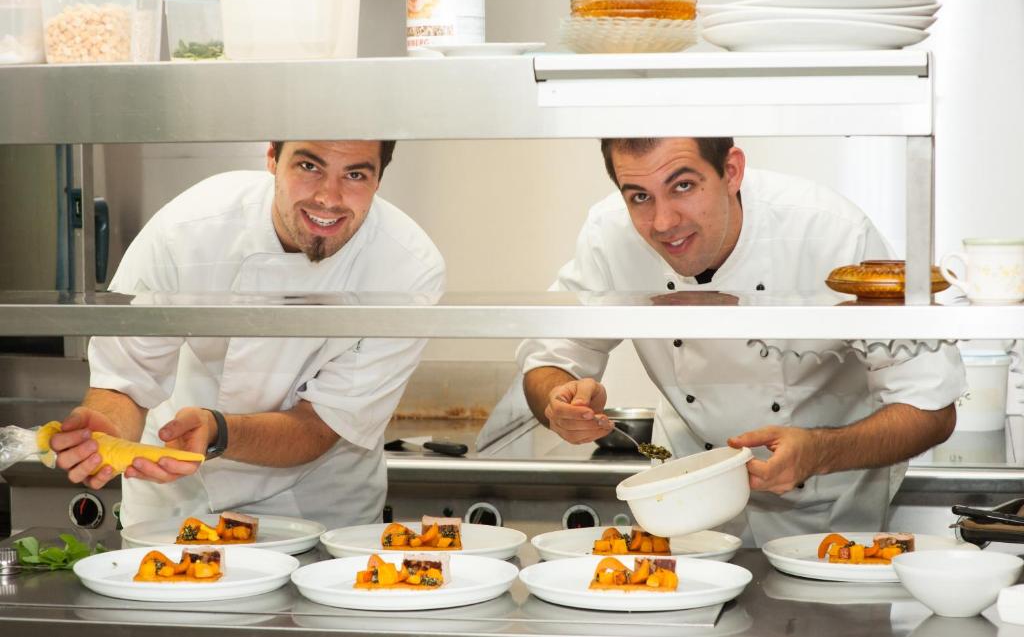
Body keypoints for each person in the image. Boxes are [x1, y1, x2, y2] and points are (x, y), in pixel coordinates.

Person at [518, 137, 964, 544]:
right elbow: (549, 358)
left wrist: (821, 451)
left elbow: (931, 408)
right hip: (687, 508)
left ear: (731, 171)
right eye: (639, 196)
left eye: (684, 186)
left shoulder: (829, 231)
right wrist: (559, 401)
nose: (663, 221)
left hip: (828, 516)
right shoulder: (609, 233)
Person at [48, 140, 445, 528]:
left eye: (355, 174)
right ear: (272, 159)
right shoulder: (188, 228)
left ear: (378, 180)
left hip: (317, 503)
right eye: (309, 167)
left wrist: (218, 431)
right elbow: (126, 377)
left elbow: (321, 424)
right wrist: (110, 432)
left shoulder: (406, 267)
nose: (329, 197)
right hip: (177, 492)